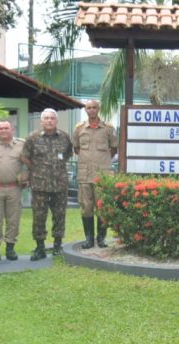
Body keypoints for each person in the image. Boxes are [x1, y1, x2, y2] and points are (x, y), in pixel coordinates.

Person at [21, 108, 73, 260]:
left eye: (52, 118)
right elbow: (24, 157)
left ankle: (57, 245)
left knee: (59, 215)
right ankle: (40, 247)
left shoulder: (64, 137)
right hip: (40, 185)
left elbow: (68, 154)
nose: (49, 121)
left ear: (56, 121)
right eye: (46, 118)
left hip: (59, 185)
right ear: (41, 121)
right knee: (39, 216)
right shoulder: (33, 138)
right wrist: (35, 168)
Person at [72, 100, 118, 249]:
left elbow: (114, 148)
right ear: (86, 110)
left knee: (102, 206)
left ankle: (101, 238)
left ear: (99, 109)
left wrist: (102, 161)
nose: (91, 110)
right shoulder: (79, 129)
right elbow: (76, 148)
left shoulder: (108, 129)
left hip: (102, 174)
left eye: (94, 108)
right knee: (86, 206)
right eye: (88, 108)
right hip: (85, 174)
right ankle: (89, 238)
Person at [0, 120, 26, 263]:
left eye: (6, 128)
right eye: (0, 128)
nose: (3, 131)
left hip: (14, 188)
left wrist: (26, 179)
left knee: (13, 220)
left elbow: (31, 163)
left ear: (12, 129)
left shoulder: (21, 145)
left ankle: (10, 248)